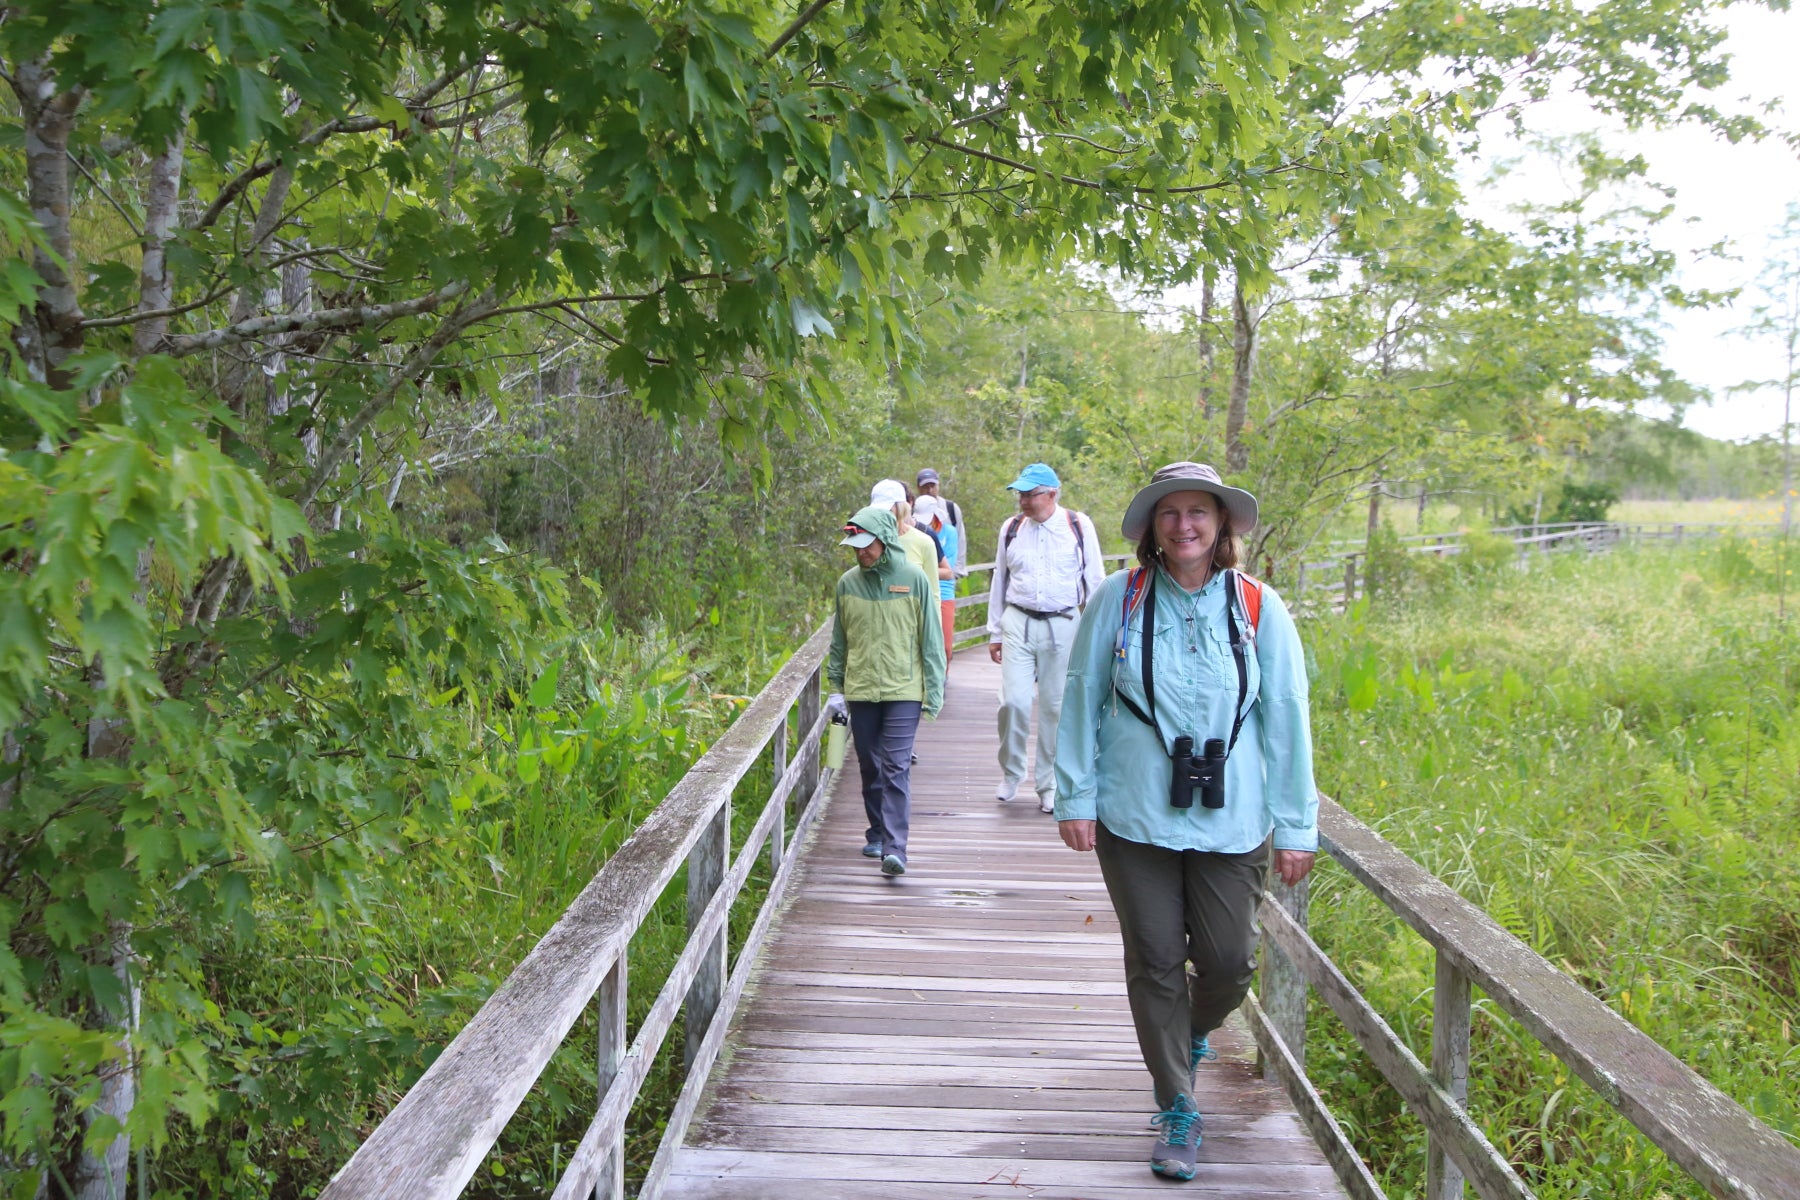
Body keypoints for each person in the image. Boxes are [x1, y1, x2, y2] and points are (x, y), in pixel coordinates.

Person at [1051, 461, 1318, 1182]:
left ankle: (1191, 1032)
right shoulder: (1119, 598)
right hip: (1134, 811)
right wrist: (1074, 795)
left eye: (1199, 511)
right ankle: (1177, 1104)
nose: (1185, 525)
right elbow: (1081, 694)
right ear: (1152, 527)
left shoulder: (1258, 606)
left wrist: (1298, 824)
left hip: (1234, 817)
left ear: (1221, 522)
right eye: (1170, 513)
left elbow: (1287, 714)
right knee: (1156, 959)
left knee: (1230, 963)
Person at [825, 505, 946, 877]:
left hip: (903, 689)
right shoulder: (847, 583)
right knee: (869, 764)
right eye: (856, 546)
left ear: (885, 540)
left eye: (867, 545)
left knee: (895, 766)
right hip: (861, 689)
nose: (861, 552)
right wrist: (835, 687)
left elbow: (930, 638)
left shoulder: (913, 578)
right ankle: (876, 831)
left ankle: (895, 849)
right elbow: (839, 640)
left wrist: (934, 691)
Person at [986, 463, 1104, 814]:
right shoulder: (1011, 528)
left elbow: (1095, 580)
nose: (1023, 501)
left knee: (1056, 706)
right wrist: (995, 631)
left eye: (1030, 494)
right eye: (1020, 494)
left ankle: (1048, 784)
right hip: (1018, 620)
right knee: (1013, 701)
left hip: (1064, 623)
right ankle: (1011, 772)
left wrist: (1097, 635)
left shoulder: (1078, 526)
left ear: (1052, 494)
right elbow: (1000, 579)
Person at [872, 479, 946, 588]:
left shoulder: (925, 536)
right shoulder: (872, 538)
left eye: (889, 511)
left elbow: (945, 574)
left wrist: (914, 574)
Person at [913, 493, 958, 665]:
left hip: (944, 592)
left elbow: (948, 571)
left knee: (945, 647)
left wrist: (917, 570)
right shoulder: (915, 532)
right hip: (919, 592)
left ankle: (943, 677)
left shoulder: (949, 533)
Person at [916, 468, 968, 576]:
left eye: (933, 486)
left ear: (938, 485)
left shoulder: (951, 508)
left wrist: (956, 571)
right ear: (918, 488)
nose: (930, 490)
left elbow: (961, 540)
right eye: (925, 487)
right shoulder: (914, 511)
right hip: (922, 573)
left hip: (948, 573)